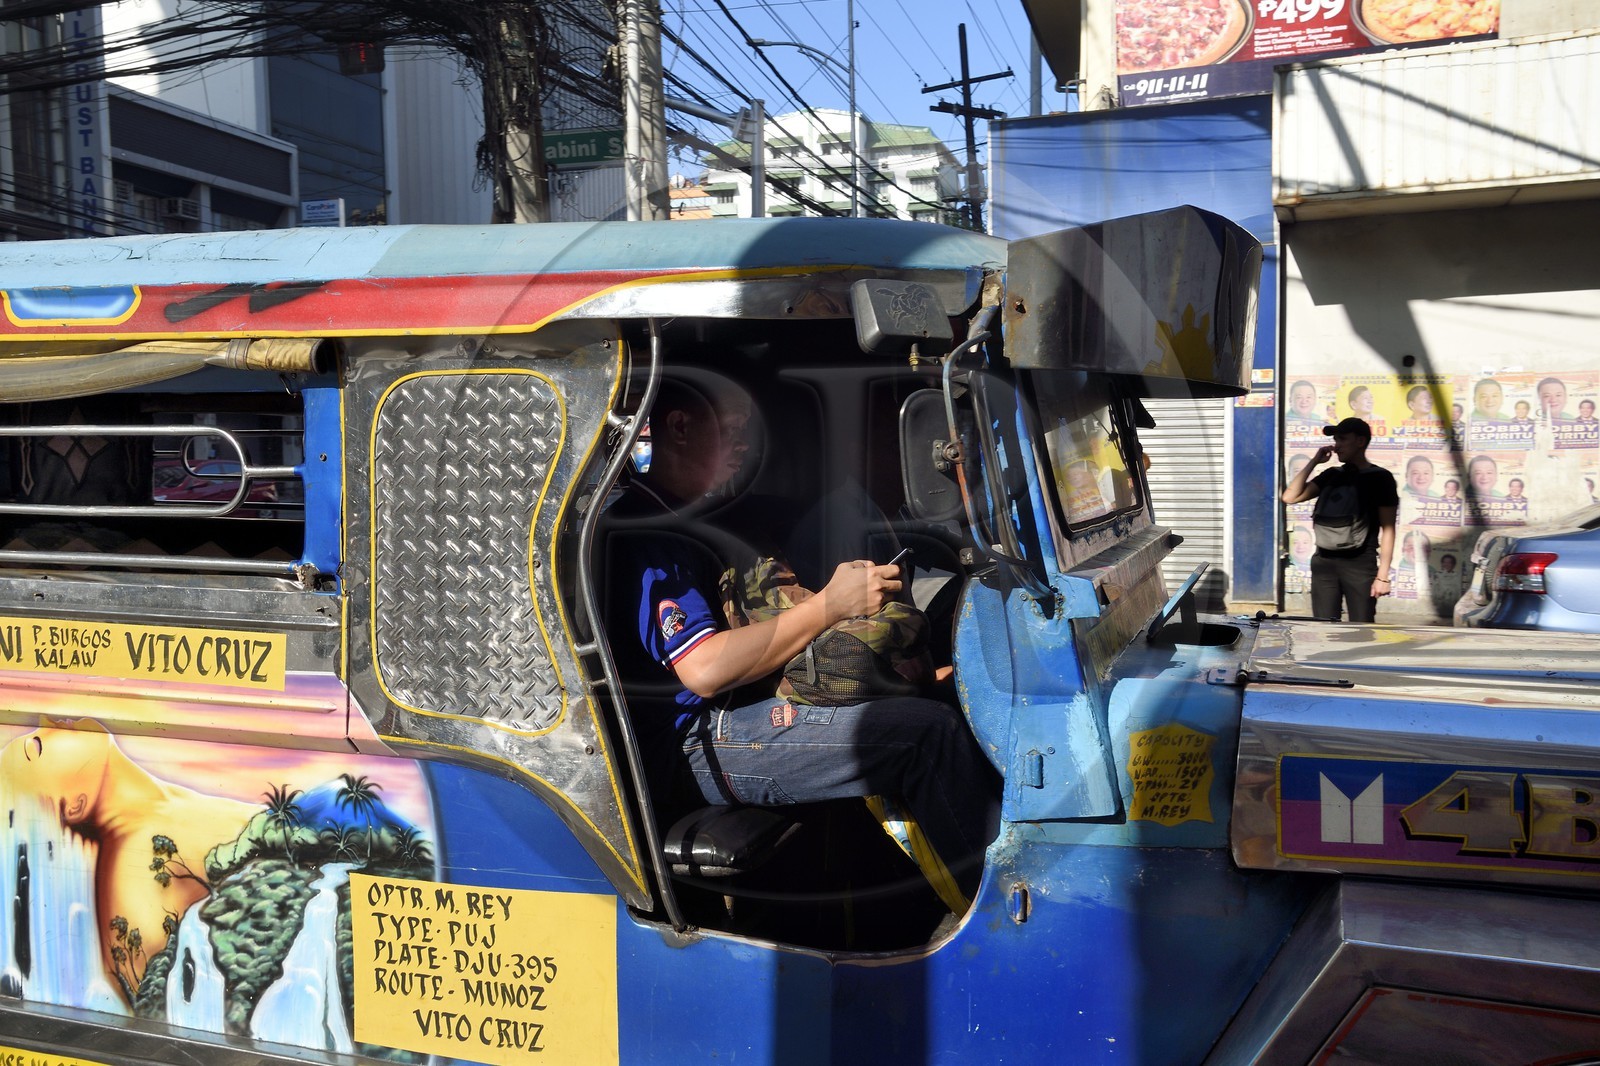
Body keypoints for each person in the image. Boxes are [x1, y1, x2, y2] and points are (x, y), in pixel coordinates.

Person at [600, 377, 998, 902]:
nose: (744, 445)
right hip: (692, 741)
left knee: (942, 695)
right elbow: (704, 669)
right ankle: (1000, 908)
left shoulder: (697, 515)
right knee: (927, 734)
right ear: (679, 427)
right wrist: (830, 604)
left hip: (739, 703)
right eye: (734, 430)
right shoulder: (647, 530)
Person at [1281, 416, 1399, 623]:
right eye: (1335, 440)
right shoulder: (1332, 475)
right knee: (1323, 628)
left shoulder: (1381, 478)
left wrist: (1382, 577)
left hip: (1360, 564)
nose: (1336, 447)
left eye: (1343, 439)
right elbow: (1289, 497)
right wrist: (1314, 461)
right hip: (1324, 563)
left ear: (1360, 441)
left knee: (1361, 628)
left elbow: (1388, 529)